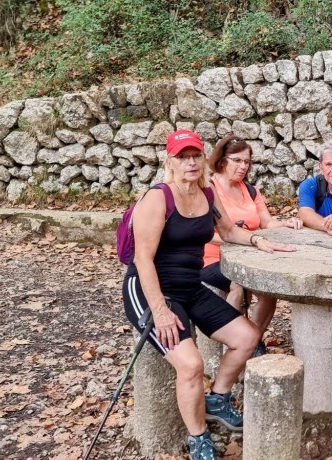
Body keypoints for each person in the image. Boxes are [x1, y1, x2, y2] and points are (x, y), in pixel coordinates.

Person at [123, 129, 295, 460]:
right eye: (182, 157)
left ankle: (218, 398)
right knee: (190, 364)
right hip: (149, 289)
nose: (190, 162)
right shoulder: (158, 198)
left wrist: (259, 240)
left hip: (189, 286)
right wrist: (159, 311)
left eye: (195, 156)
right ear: (169, 161)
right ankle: (198, 437)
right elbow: (142, 259)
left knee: (247, 337)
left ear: (204, 159)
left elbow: (229, 231)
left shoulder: (206, 194)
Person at [200, 135, 303, 356]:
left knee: (268, 290)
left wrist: (285, 223)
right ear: (221, 160)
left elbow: (266, 222)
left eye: (246, 162)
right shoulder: (208, 189)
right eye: (237, 160)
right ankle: (232, 341)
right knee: (239, 284)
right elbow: (206, 233)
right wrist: (243, 238)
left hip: (249, 252)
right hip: (212, 257)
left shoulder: (250, 190)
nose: (243, 166)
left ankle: (252, 339)